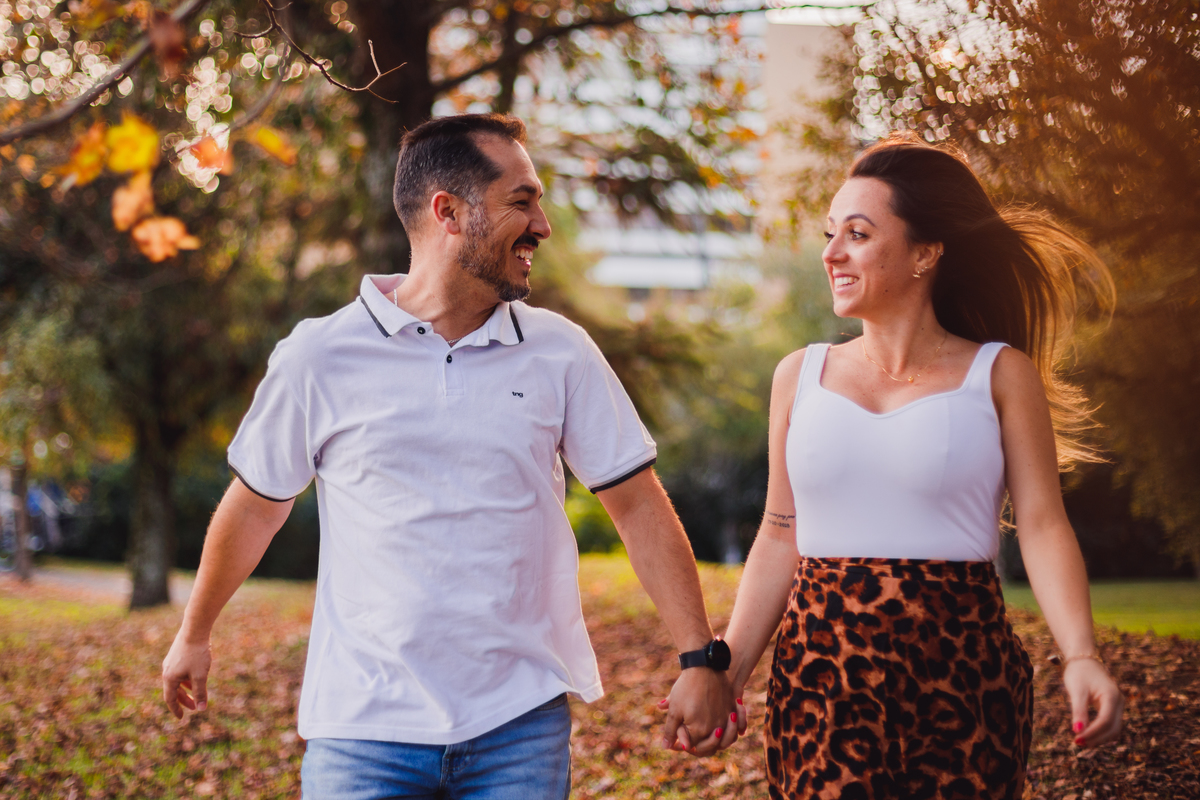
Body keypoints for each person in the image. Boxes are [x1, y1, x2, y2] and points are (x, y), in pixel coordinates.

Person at [161, 113, 735, 799]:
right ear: (449, 212)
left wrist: (700, 657)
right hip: (361, 728)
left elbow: (638, 506)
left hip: (517, 724)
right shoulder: (318, 355)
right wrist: (194, 633)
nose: (543, 225)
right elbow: (255, 508)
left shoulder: (560, 351)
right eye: (522, 201)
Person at [719, 135, 1124, 798]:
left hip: (964, 673)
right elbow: (778, 531)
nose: (831, 254)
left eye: (858, 233)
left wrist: (1081, 656)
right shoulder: (800, 375)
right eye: (831, 234)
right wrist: (728, 673)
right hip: (824, 671)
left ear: (926, 252)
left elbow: (1045, 525)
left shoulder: (1000, 374)